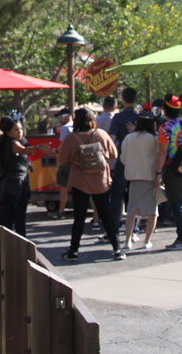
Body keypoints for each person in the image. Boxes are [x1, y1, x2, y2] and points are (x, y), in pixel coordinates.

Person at [58, 107, 123, 262]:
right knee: (106, 216)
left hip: (80, 181)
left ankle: (73, 251)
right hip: (101, 181)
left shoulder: (71, 138)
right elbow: (114, 153)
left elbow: (63, 160)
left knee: (79, 218)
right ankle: (117, 249)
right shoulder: (101, 134)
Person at [0, 111, 49, 236]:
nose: (20, 132)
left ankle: (9, 243)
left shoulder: (6, 141)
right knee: (17, 216)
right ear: (8, 132)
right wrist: (38, 147)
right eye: (16, 130)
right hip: (15, 184)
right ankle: (18, 244)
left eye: (21, 129)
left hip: (12, 183)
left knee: (9, 216)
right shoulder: (12, 143)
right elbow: (22, 150)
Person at [156, 94, 182, 250]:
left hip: (173, 169)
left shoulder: (164, 128)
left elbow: (162, 151)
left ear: (165, 110)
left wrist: (158, 173)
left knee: (178, 204)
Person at [119, 105, 160, 250]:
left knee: (131, 211)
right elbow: (159, 157)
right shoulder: (154, 139)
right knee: (152, 211)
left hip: (133, 177)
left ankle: (127, 241)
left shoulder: (129, 138)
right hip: (150, 177)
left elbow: (123, 158)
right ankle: (146, 241)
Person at [107, 87, 138, 235]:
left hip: (123, 158)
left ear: (123, 99)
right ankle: (135, 226)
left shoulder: (118, 118)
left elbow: (112, 139)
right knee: (135, 192)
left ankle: (115, 224)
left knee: (117, 193)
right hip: (139, 159)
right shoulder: (142, 116)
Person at [53, 108, 73, 219]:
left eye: (61, 116)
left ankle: (61, 210)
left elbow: (62, 145)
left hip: (65, 161)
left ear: (68, 116)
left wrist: (56, 151)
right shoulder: (76, 126)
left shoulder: (65, 128)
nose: (60, 119)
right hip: (76, 161)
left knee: (63, 187)